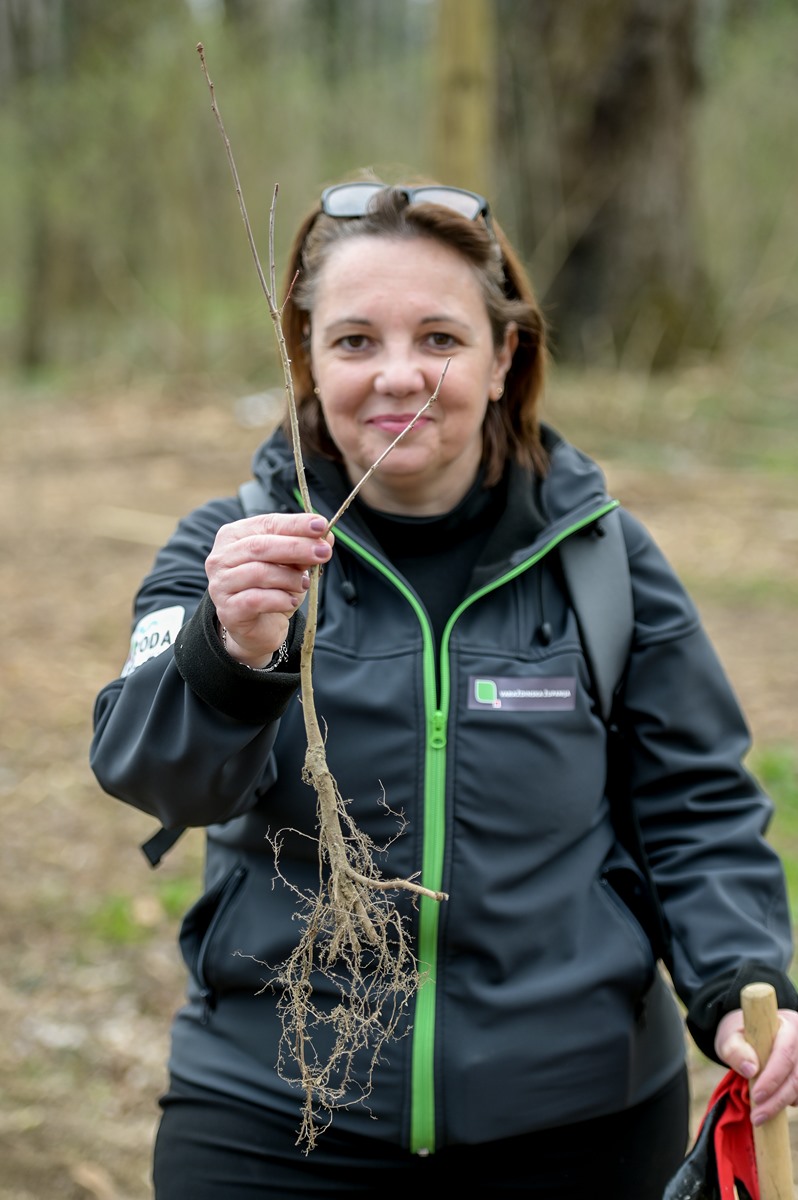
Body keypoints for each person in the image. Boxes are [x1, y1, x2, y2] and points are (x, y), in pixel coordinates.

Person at [90, 177, 798, 1199]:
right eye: (354, 341)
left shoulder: (601, 560)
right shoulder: (225, 555)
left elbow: (696, 801)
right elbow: (154, 777)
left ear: (505, 357)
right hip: (270, 1115)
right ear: (308, 360)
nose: (399, 376)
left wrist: (737, 982)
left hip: (577, 1121)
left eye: (440, 338)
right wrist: (230, 650)